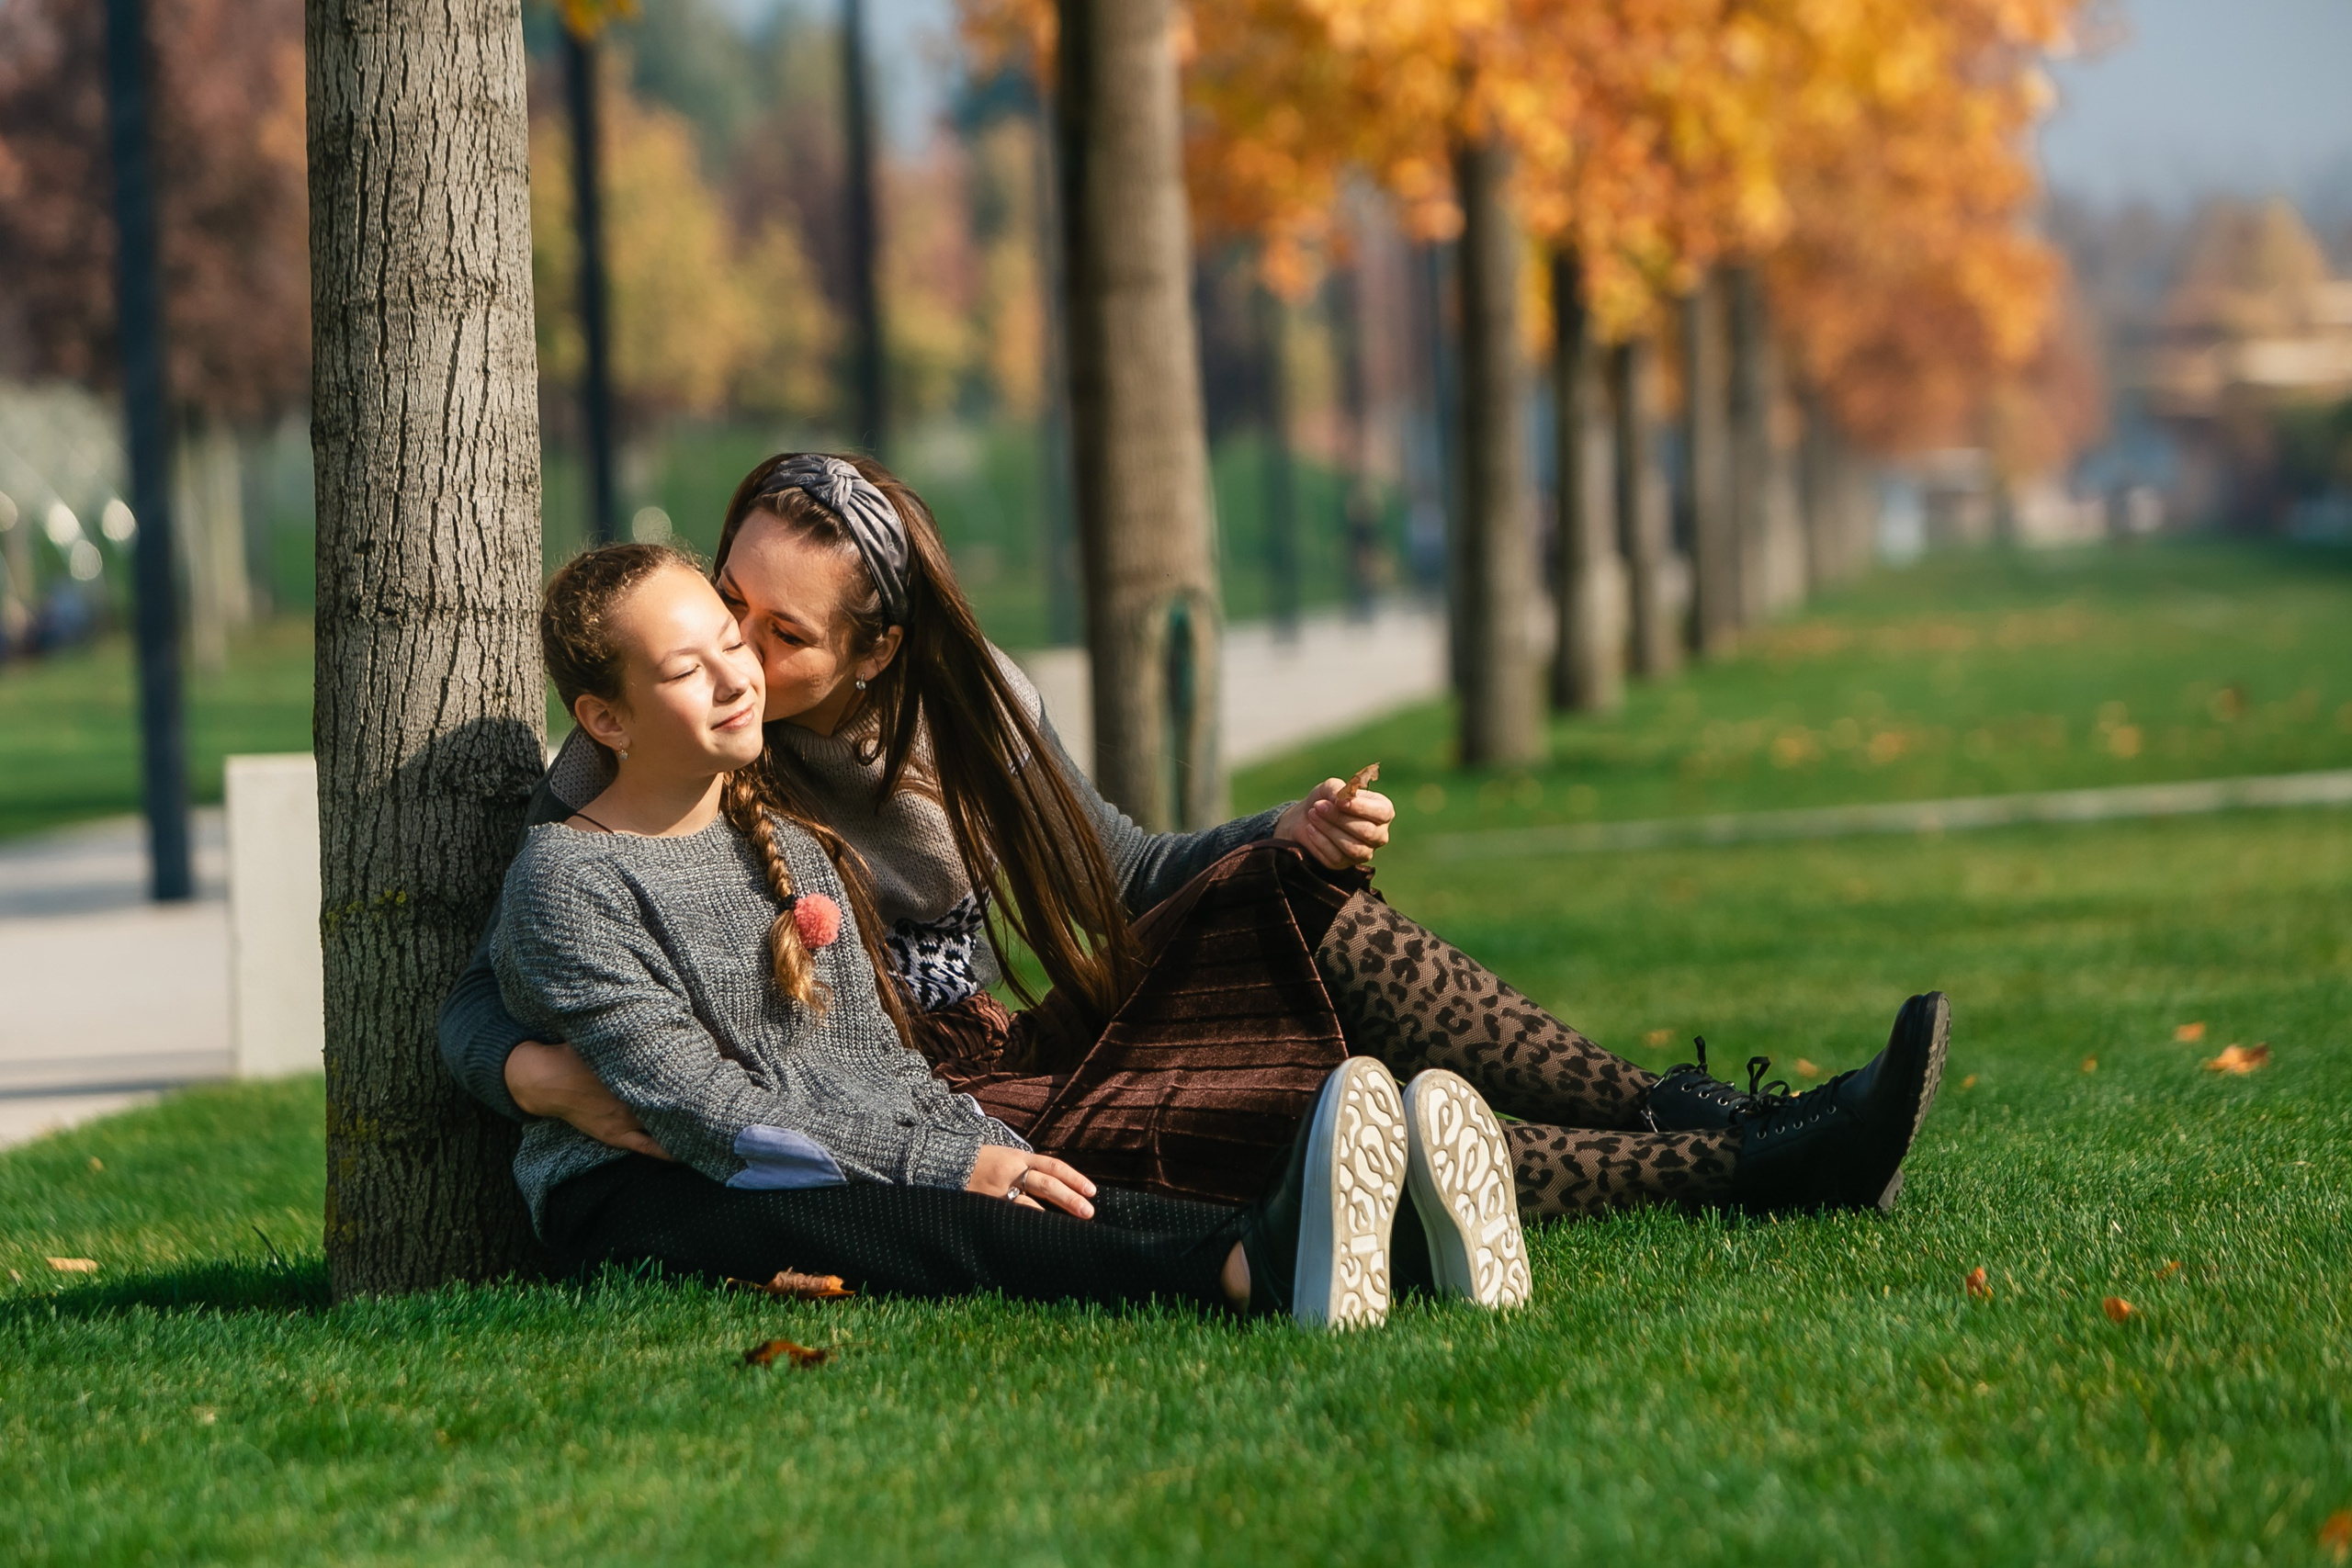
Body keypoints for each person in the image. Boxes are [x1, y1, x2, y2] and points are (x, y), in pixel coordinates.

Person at [445, 453, 1949, 1226]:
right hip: (934, 1097)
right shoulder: (650, 742)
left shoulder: (973, 722)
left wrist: (1286, 832)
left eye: (784, 634)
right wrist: (524, 1066)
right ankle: (1741, 1166)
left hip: (1006, 1043)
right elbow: (502, 957)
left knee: (1316, 904)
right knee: (1288, 1115)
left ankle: (1713, 1116)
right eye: (724, 601)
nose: (733, 653)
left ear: (885, 647)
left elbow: (1123, 873)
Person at [495, 541, 1534, 1326]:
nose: (736, 678)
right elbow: (705, 1112)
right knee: (911, 1219)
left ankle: (1391, 1251)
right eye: (685, 669)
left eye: (734, 644)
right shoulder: (570, 881)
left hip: (797, 1140)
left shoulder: (785, 845)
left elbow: (874, 1069)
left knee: (1045, 1182)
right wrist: (948, 1172)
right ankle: (1235, 1271)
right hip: (645, 1189)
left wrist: (984, 1149)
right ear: (607, 720)